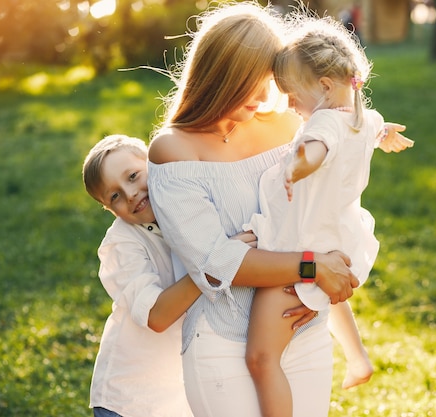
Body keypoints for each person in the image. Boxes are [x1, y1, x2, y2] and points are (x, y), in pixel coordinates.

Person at [146, 3, 362, 417]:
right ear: (220, 77)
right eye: (252, 83)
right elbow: (216, 262)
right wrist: (312, 267)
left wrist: (326, 280)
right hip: (223, 344)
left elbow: (329, 206)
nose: (266, 97)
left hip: (302, 327)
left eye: (272, 83)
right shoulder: (174, 151)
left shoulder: (289, 125)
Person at [242, 15, 414, 417]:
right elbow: (366, 129)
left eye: (290, 93)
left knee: (261, 357)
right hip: (338, 233)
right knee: (332, 296)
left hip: (303, 238)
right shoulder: (363, 117)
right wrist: (384, 132)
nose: (287, 103)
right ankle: (358, 358)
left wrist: (296, 166)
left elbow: (318, 148)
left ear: (323, 87)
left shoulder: (321, 121)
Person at [83, 135, 258, 417]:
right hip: (130, 401)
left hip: (184, 394)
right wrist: (216, 262)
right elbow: (158, 316)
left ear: (155, 165)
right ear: (108, 209)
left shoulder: (188, 208)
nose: (130, 194)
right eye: (114, 196)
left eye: (133, 176)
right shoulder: (122, 244)